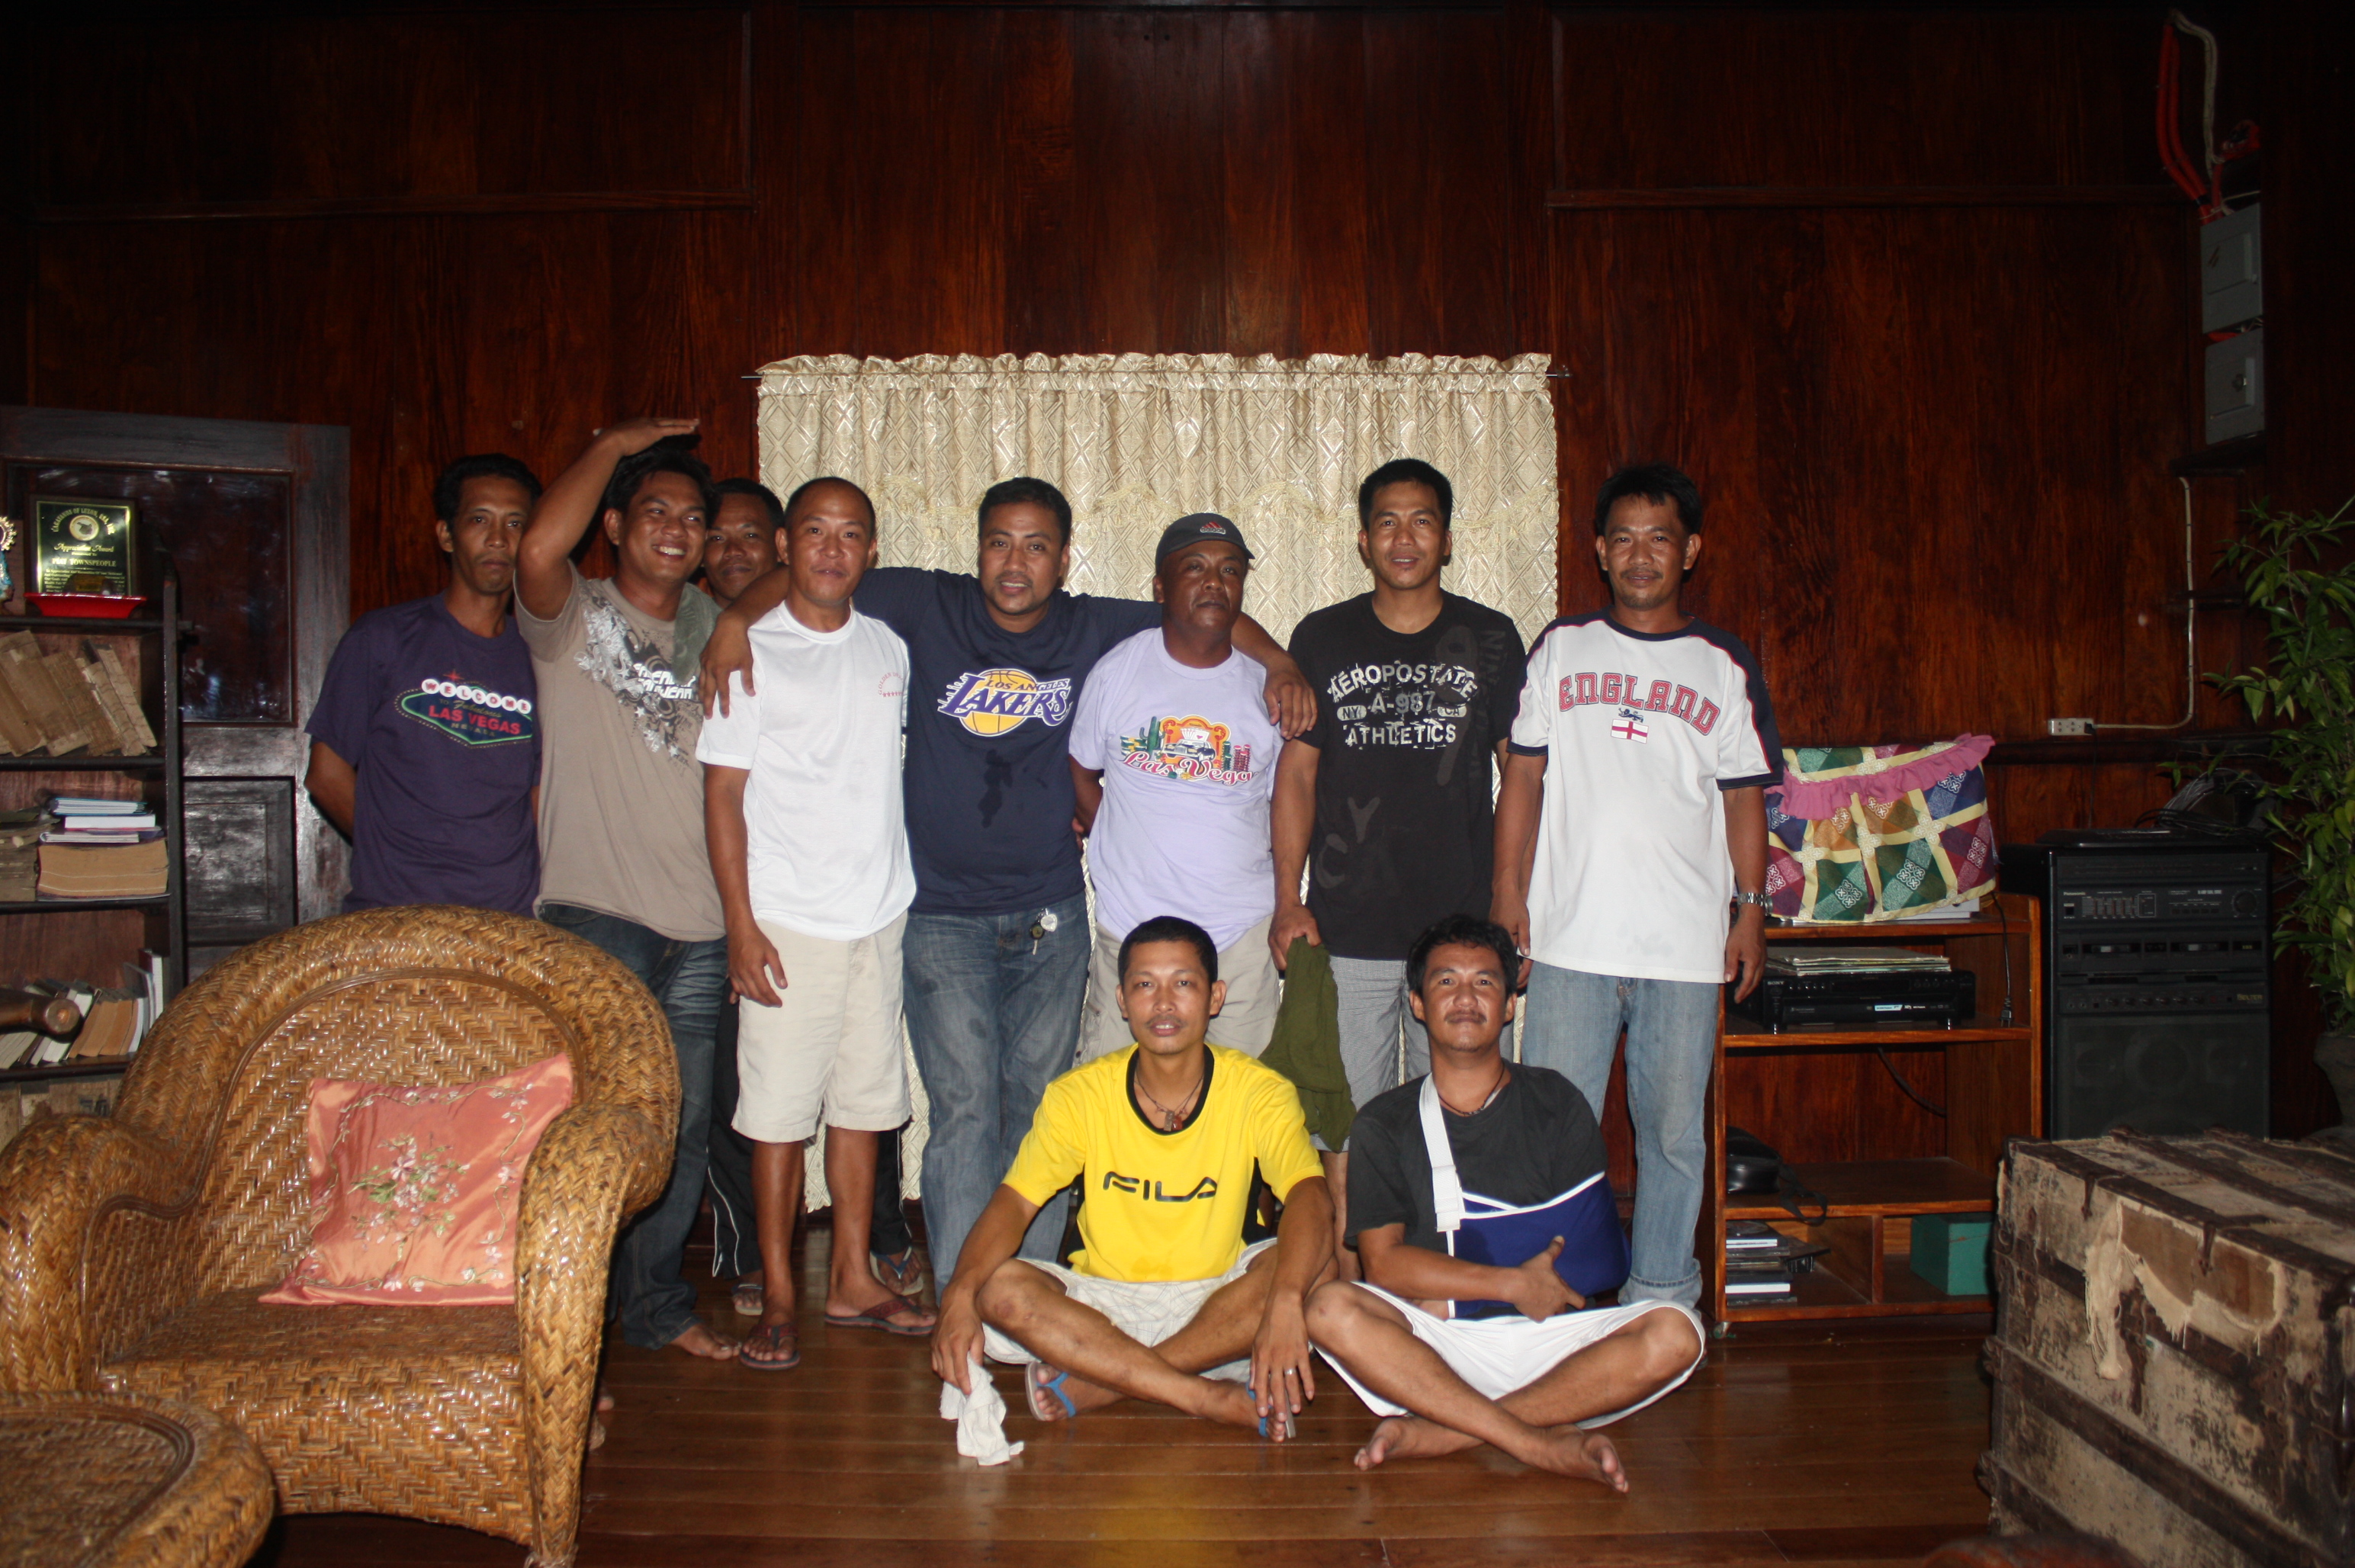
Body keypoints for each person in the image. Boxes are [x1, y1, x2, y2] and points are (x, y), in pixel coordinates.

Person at [701, 478, 1313, 1290]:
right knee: (962, 1115)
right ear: (978, 548)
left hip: (1050, 913)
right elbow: (815, 575)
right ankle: (966, 1294)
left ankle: (1032, 1294)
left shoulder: (1092, 624)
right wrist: (734, 620)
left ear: (1063, 559)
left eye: (1036, 546)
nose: (1015, 563)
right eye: (999, 543)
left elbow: (1204, 604)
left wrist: (1279, 660)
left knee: (1041, 1112)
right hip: (939, 915)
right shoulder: (925, 604)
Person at [1492, 463, 1782, 1310]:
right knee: (1551, 1136)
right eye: (1623, 538)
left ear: (1690, 550)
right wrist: (1507, 895)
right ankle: (1548, 1301)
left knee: (1673, 1141)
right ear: (1599, 550)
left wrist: (1751, 912)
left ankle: (1661, 1304)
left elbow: (1744, 798)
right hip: (1569, 943)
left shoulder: (1722, 663)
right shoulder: (1562, 647)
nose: (1640, 554)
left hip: (1685, 950)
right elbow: (1522, 780)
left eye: (1659, 538)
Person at [1304, 914, 1707, 1485]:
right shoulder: (1383, 1123)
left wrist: (1469, 1293)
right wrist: (1510, 1284)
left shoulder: (1556, 1101)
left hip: (1550, 1338)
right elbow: (1386, 1266)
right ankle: (1537, 1439)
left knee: (1678, 1332)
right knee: (1328, 1309)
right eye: (1446, 981)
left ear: (1511, 1005)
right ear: (1417, 1004)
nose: (1466, 998)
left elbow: (1596, 1263)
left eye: (1485, 982)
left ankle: (1448, 1431)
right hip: (1439, 1344)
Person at [699, 477, 939, 1370]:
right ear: (785, 546)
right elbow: (722, 796)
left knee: (864, 1110)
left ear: (870, 550)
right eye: (814, 531)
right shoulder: (749, 653)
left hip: (877, 916)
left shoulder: (890, 647)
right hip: (786, 923)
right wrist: (741, 924)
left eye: (850, 534)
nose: (832, 549)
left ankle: (851, 1279)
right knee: (776, 1119)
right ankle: (779, 1294)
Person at [931, 914, 1334, 1437]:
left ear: (1215, 997)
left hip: (1217, 1305)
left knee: (1317, 1272)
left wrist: (1284, 1299)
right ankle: (1199, 1393)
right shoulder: (1079, 1094)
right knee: (995, 1288)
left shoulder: (1258, 1090)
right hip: (1104, 1309)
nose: (1164, 1003)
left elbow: (1309, 1195)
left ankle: (1111, 1380)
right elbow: (1014, 1203)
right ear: (1121, 1001)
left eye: (1183, 983)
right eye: (1145, 985)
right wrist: (957, 1294)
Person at [1271, 458, 1528, 1274]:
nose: (1404, 537)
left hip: (1460, 933)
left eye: (1422, 521)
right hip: (1347, 926)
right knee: (1344, 1126)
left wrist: (1511, 898)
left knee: (1464, 1117)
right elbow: (1297, 775)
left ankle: (1457, 1287)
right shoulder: (1322, 637)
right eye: (1387, 521)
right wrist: (1287, 898)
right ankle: (1353, 1291)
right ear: (1363, 539)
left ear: (1446, 539)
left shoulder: (1492, 637)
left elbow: (1521, 776)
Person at [516, 417, 735, 1361]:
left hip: (704, 923)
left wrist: (736, 619)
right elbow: (535, 548)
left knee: (678, 1134)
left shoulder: (714, 631)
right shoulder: (574, 615)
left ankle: (654, 1310)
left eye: (692, 519)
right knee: (586, 1135)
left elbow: (784, 583)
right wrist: (610, 444)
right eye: (655, 512)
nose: (676, 530)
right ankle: (570, 1327)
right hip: (597, 916)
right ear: (614, 525)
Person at [1069, 516, 1285, 1060]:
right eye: (1195, 567)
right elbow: (1081, 770)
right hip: (1131, 933)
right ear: (1160, 588)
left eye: (1230, 571)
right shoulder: (1117, 671)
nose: (1214, 581)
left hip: (1239, 938)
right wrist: (1114, 834)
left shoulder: (1270, 688)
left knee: (1243, 1104)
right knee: (1112, 1102)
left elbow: (1289, 803)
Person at [305, 453, 544, 914]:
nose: (498, 538)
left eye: (515, 524)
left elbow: (538, 795)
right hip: (399, 911)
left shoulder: (540, 659)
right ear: (446, 535)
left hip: (508, 920)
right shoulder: (383, 637)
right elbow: (326, 774)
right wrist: (395, 859)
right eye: (479, 519)